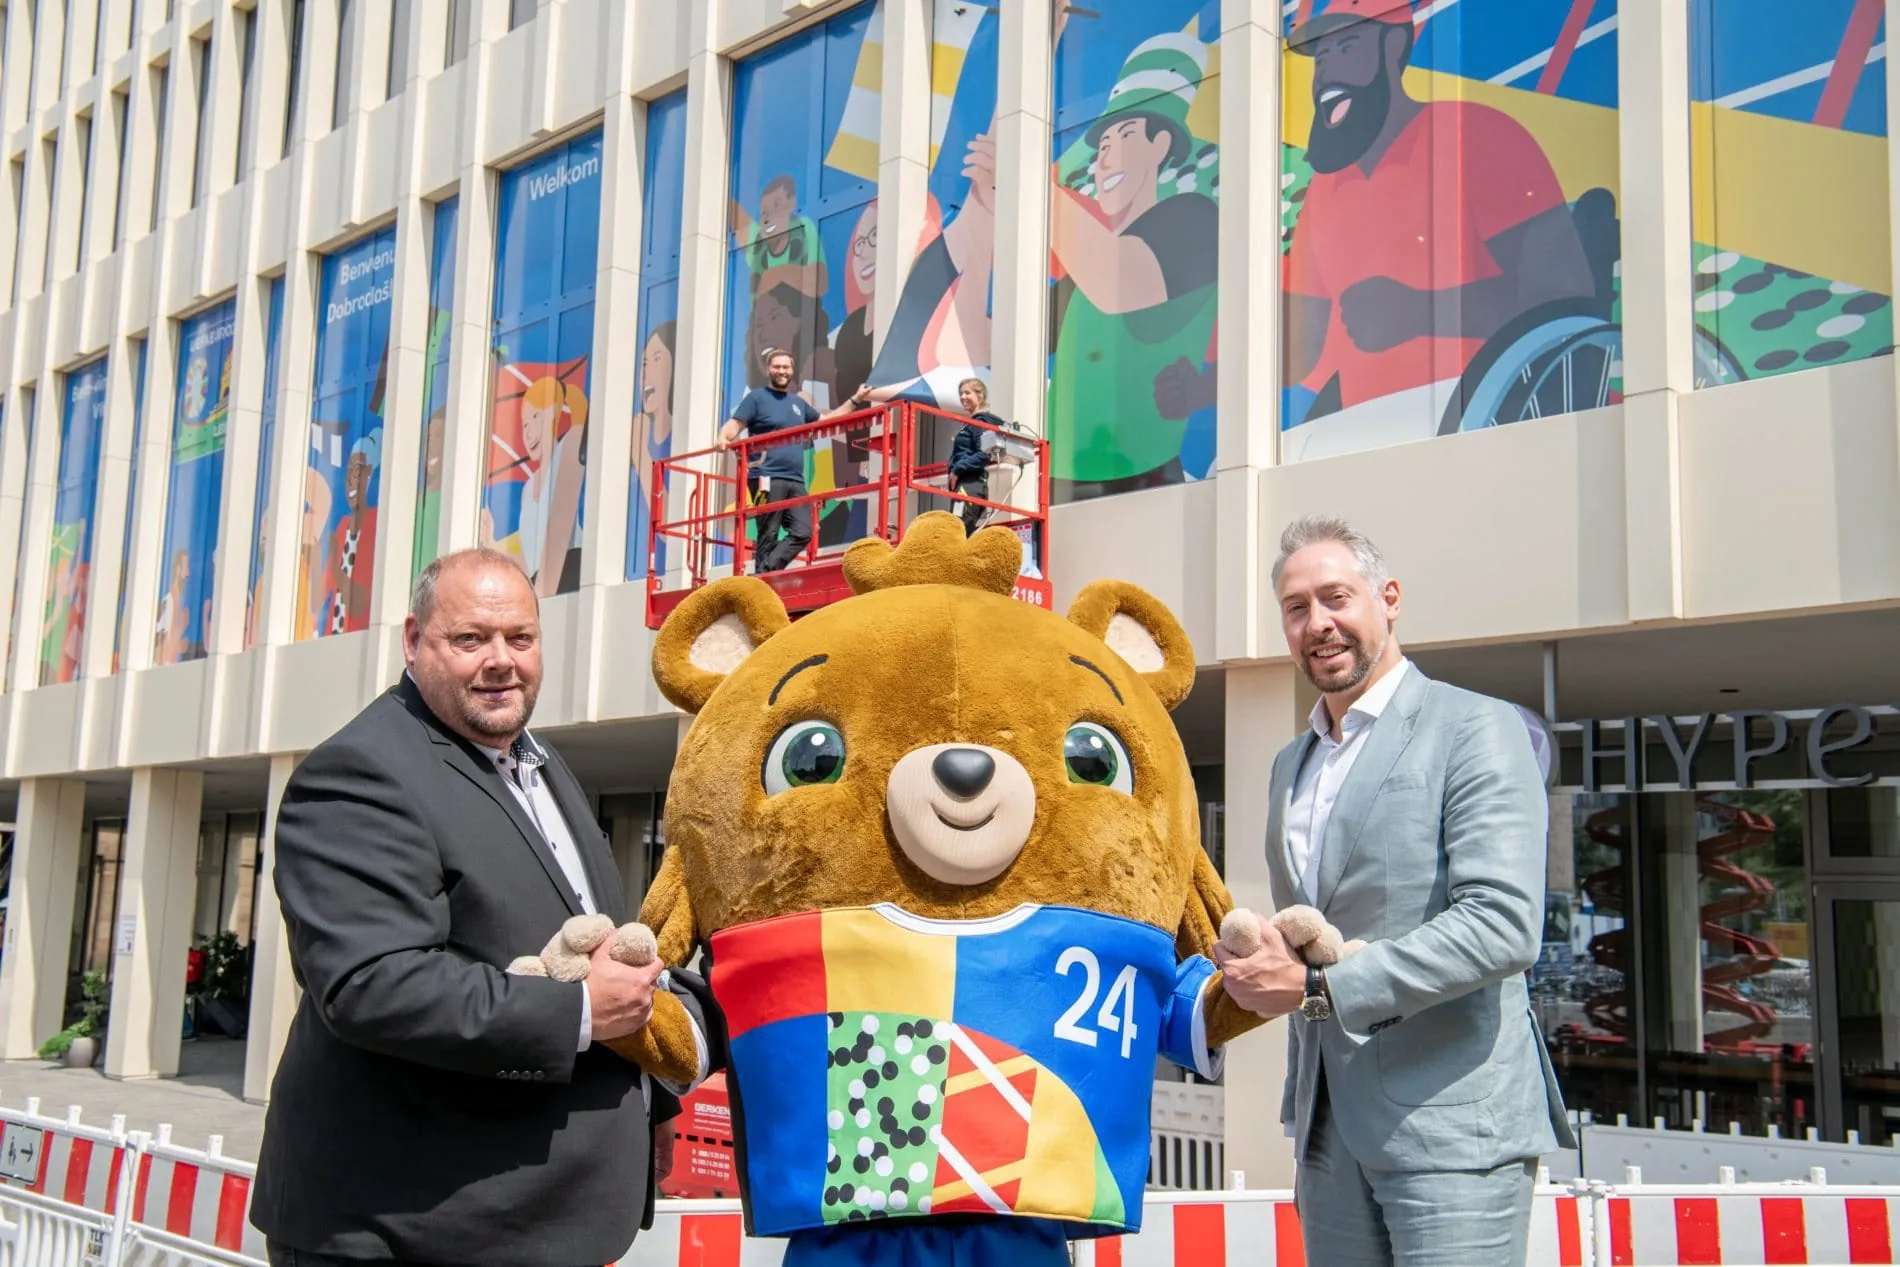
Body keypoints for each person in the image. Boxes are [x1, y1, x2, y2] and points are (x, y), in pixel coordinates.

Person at [252, 548, 711, 1267]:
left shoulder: (540, 762)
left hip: (530, 1227)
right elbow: (372, 982)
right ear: (412, 640)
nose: (501, 660)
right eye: (471, 639)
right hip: (411, 1229)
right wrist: (584, 1012)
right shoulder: (359, 773)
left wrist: (649, 1099)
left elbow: (582, 942)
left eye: (519, 638)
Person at [1214, 515, 1573, 1267]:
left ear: (1389, 598)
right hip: (1325, 1129)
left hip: (1453, 1122)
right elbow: (1320, 922)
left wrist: (1317, 986)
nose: (1319, 623)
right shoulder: (1290, 763)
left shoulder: (1476, 728)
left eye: (1335, 597)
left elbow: (1503, 924)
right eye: (1296, 607)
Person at [1283, 0, 1594, 447]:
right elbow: (1302, 339)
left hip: (1486, 418)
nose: (1327, 76)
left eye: (1347, 49)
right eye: (1322, 60)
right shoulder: (1324, 189)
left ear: (1393, 47)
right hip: (1364, 437)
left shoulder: (1474, 135)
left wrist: (1419, 310)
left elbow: (1562, 298)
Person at [1044, 34, 1219, 500]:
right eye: (1100, 145)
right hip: (1060, 482)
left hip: (1144, 478)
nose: (1104, 157)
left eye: (1122, 136)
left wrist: (1030, 183)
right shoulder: (1084, 271)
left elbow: (1119, 284)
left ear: (1161, 144)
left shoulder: (1193, 217)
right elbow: (999, 335)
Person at [718, 348, 868, 574]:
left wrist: (855, 400)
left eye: (785, 367)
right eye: (777, 366)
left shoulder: (797, 403)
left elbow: (826, 421)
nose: (781, 371)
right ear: (769, 369)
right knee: (768, 530)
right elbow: (735, 425)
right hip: (765, 476)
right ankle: (763, 576)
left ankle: (763, 572)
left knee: (803, 531)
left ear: (792, 370)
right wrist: (723, 437)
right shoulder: (757, 398)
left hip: (795, 480)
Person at [946, 377, 1002, 536]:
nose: (962, 397)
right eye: (960, 393)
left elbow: (985, 453)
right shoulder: (971, 423)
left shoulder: (981, 422)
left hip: (970, 484)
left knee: (958, 531)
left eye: (967, 393)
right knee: (957, 530)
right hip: (964, 484)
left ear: (980, 395)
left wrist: (957, 469)